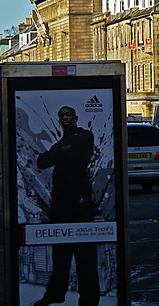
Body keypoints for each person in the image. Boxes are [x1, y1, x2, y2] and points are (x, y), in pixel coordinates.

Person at [34, 106, 100, 306]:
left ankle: (89, 297)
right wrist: (62, 152)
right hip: (61, 203)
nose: (65, 118)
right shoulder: (61, 143)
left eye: (68, 114)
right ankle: (56, 293)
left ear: (75, 117)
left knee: (84, 252)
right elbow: (41, 162)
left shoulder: (84, 136)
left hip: (79, 202)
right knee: (60, 252)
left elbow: (80, 155)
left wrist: (60, 154)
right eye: (61, 115)